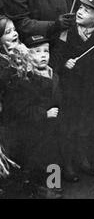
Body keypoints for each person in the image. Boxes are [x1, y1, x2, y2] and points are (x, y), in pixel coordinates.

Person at [54, 0, 94, 182]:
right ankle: (68, 164)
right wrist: (64, 63)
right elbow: (54, 58)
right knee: (68, 126)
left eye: (87, 10)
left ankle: (82, 158)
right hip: (69, 90)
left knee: (86, 126)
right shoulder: (66, 33)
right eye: (80, 7)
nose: (80, 11)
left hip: (90, 90)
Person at [2, 33, 63, 199]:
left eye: (46, 51)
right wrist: (45, 113)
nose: (43, 55)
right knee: (37, 163)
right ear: (26, 55)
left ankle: (55, 186)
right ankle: (41, 189)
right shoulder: (25, 80)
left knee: (54, 160)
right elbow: (21, 108)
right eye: (36, 51)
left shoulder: (53, 73)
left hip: (53, 131)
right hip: (35, 132)